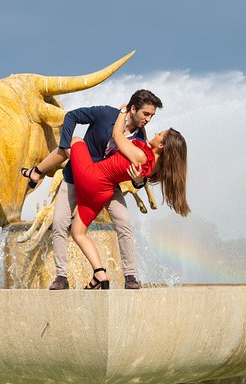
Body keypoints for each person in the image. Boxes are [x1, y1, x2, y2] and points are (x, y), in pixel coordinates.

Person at [21, 90, 162, 290]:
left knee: (124, 223)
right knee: (59, 223)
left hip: (107, 186)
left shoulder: (140, 136)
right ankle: (61, 277)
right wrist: (66, 147)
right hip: (76, 176)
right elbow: (72, 116)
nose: (148, 120)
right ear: (133, 109)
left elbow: (142, 174)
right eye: (146, 114)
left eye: (152, 116)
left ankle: (130, 276)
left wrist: (138, 181)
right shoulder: (105, 114)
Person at [69, 107, 190, 289]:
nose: (156, 132)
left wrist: (123, 111)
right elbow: (142, 178)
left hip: (94, 177)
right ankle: (100, 274)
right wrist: (139, 179)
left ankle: (36, 171)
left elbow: (117, 135)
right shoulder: (157, 166)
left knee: (75, 140)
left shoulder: (141, 154)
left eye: (160, 134)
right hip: (105, 191)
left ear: (163, 145)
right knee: (78, 231)